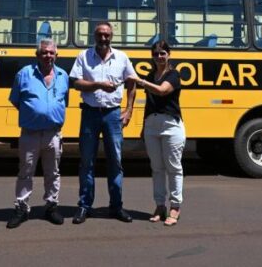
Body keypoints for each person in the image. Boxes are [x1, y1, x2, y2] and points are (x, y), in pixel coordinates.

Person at [69, 21, 136, 224]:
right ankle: (84, 206)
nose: (103, 38)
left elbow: (132, 82)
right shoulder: (84, 56)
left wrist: (129, 109)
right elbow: (76, 82)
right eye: (100, 35)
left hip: (113, 115)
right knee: (86, 161)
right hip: (90, 114)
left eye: (107, 35)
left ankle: (116, 207)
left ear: (111, 37)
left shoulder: (122, 58)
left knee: (115, 161)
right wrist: (97, 85)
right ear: (94, 36)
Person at [6, 38, 69, 229]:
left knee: (53, 172)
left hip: (53, 133)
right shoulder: (24, 74)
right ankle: (22, 208)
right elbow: (16, 100)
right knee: (26, 171)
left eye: (51, 52)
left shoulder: (63, 75)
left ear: (56, 55)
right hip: (30, 133)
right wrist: (34, 114)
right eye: (44, 52)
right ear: (37, 55)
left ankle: (51, 206)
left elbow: (63, 101)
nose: (48, 55)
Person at [128, 40, 185, 226]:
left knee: (174, 168)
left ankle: (175, 207)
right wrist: (144, 128)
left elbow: (162, 91)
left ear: (169, 55)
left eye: (162, 53)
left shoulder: (174, 75)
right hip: (152, 125)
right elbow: (150, 103)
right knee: (157, 168)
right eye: (156, 54)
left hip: (171, 125)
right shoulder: (151, 74)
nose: (159, 57)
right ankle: (160, 206)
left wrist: (141, 81)